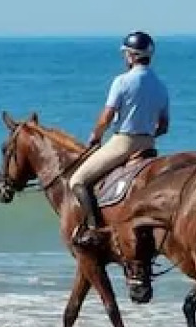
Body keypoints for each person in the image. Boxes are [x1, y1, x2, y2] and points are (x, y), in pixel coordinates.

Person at [69, 31, 170, 248]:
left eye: (126, 54)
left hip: (123, 142)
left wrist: (95, 136)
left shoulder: (122, 81)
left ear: (132, 56)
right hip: (149, 144)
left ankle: (95, 229)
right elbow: (164, 126)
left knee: (77, 181)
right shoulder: (161, 86)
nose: (125, 58)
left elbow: (106, 116)